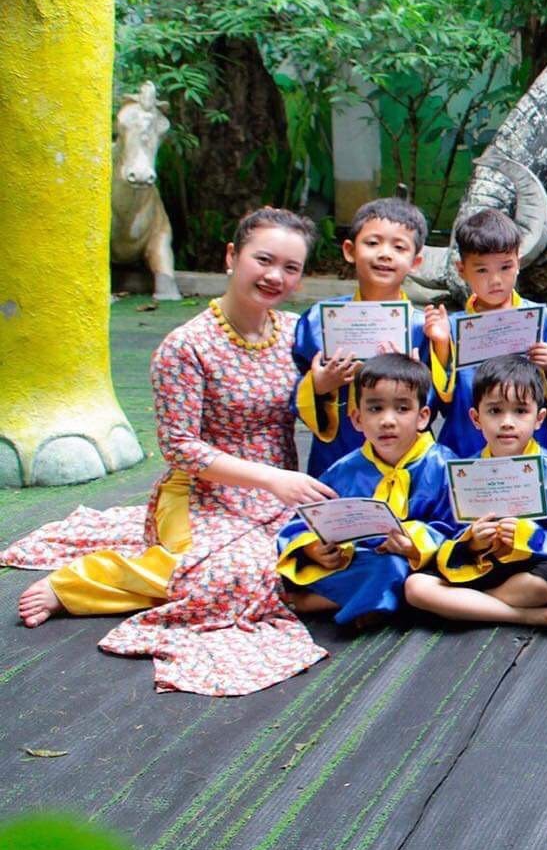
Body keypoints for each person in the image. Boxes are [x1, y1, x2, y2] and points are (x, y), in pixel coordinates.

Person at [5, 208, 330, 695]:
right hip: (201, 494)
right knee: (231, 571)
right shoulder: (187, 346)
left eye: (290, 267)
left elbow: (316, 412)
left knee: (328, 557)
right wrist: (270, 478)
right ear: (232, 256)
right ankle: (79, 583)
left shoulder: (295, 333)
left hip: (280, 494)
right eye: (263, 260)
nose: (274, 276)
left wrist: (323, 388)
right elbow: (180, 448)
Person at [403, 355, 547, 635]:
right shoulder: (464, 474)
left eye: (520, 411)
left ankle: (467, 605)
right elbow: (445, 530)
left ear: (539, 419)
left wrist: (531, 536)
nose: (507, 422)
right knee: (415, 587)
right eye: (495, 411)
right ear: (476, 418)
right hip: (479, 566)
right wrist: (472, 542)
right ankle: (521, 615)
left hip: (529, 569)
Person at [276, 353, 453, 626]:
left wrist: (416, 543)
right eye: (375, 409)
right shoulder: (345, 469)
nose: (387, 420)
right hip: (362, 563)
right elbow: (303, 521)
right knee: (378, 567)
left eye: (402, 408)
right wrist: (314, 548)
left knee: (405, 571)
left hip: (418, 565)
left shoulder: (443, 465)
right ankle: (369, 600)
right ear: (357, 419)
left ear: (423, 416)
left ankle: (320, 602)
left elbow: (457, 528)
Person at [292, 197, 431, 478]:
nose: (385, 254)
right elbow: (292, 386)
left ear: (416, 262)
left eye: (399, 247)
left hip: (405, 458)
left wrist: (411, 376)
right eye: (373, 243)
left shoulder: (422, 328)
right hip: (336, 452)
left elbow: (437, 401)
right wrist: (319, 386)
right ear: (349, 250)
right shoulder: (319, 320)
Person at [426, 208, 547, 458]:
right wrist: (441, 346)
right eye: (482, 270)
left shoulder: (541, 321)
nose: (495, 280)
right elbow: (438, 403)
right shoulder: (450, 328)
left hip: (525, 444)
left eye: (505, 267)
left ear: (519, 261)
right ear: (461, 269)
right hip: (467, 441)